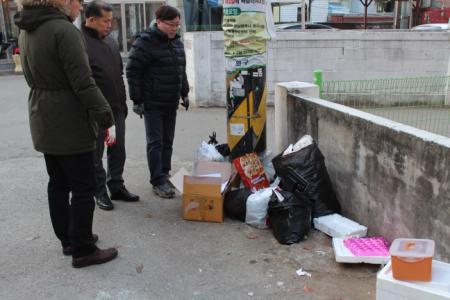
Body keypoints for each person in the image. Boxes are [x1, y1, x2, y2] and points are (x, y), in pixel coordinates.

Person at [14, 0, 118, 268]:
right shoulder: (64, 31)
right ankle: (83, 248)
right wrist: (106, 115)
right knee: (83, 186)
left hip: (43, 114)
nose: (79, 6)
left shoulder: (27, 27)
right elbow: (83, 82)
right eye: (76, 1)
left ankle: (69, 239)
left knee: (58, 184)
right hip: (70, 119)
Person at [126, 5, 189, 199]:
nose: (174, 29)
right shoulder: (145, 42)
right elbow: (133, 71)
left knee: (167, 141)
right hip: (152, 101)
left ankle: (165, 172)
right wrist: (137, 100)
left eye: (177, 25)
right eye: (171, 25)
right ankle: (157, 180)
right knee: (156, 142)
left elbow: (180, 69)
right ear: (159, 22)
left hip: (170, 101)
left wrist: (184, 92)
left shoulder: (176, 42)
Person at [82, 0, 139, 210]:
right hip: (94, 112)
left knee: (118, 148)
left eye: (111, 21)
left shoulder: (111, 42)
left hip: (116, 109)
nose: (109, 25)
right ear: (90, 19)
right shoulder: (81, 43)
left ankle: (116, 185)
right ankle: (99, 191)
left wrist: (123, 104)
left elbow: (118, 74)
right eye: (105, 21)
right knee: (95, 154)